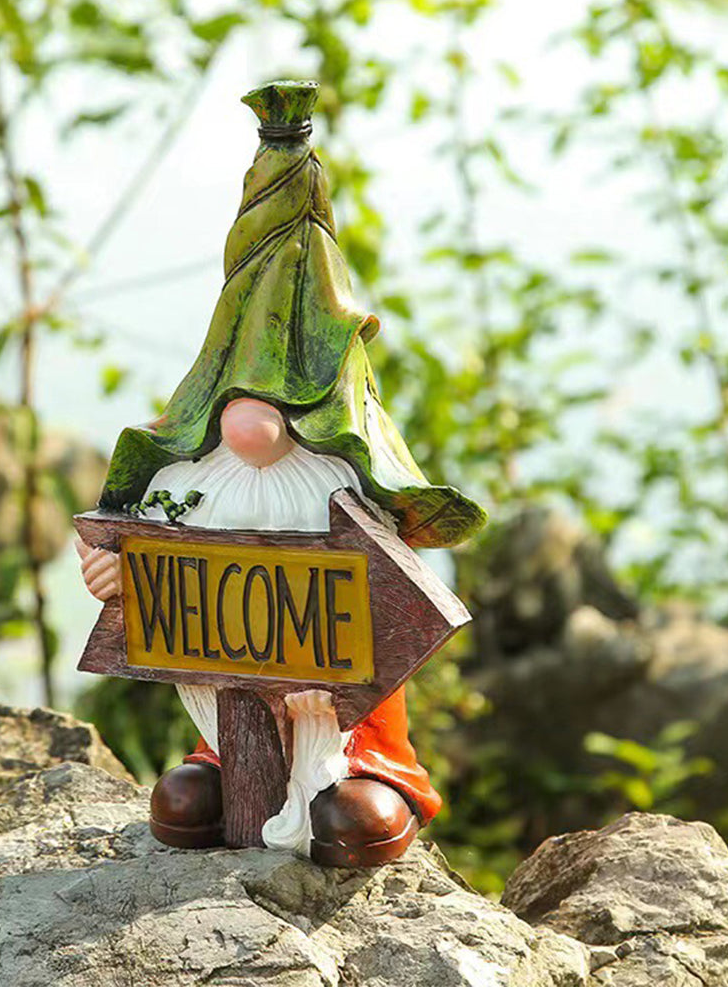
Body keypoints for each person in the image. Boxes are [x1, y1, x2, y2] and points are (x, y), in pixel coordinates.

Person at [78, 80, 485, 867]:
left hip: (349, 726)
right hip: (234, 714)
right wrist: (113, 576)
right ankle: (231, 771)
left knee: (351, 820)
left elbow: (392, 611)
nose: (256, 421)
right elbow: (144, 556)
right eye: (241, 385)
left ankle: (369, 783)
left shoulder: (342, 481)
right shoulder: (193, 478)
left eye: (285, 390)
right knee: (186, 804)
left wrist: (331, 682)